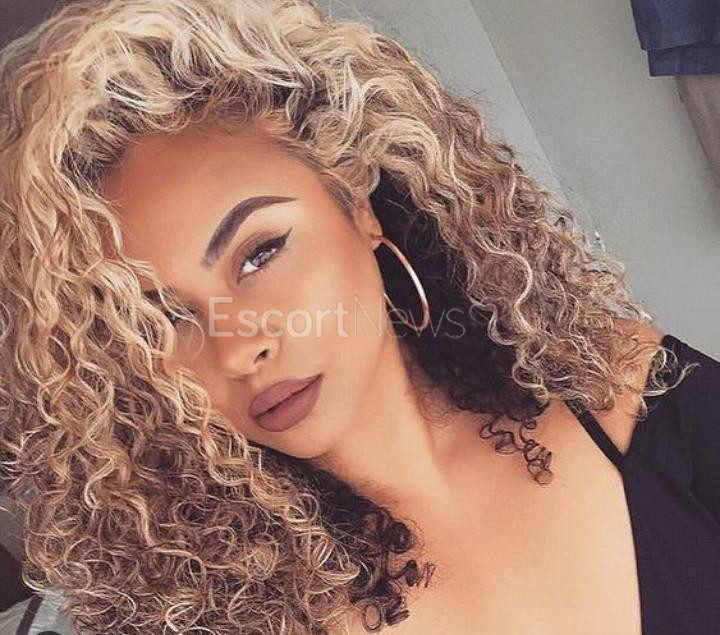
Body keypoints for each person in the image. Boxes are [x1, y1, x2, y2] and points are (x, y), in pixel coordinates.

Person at [0, 1, 718, 633]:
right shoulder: (226, 615)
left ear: (355, 202)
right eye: (157, 317)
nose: (238, 347)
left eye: (259, 254)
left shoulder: (629, 398)